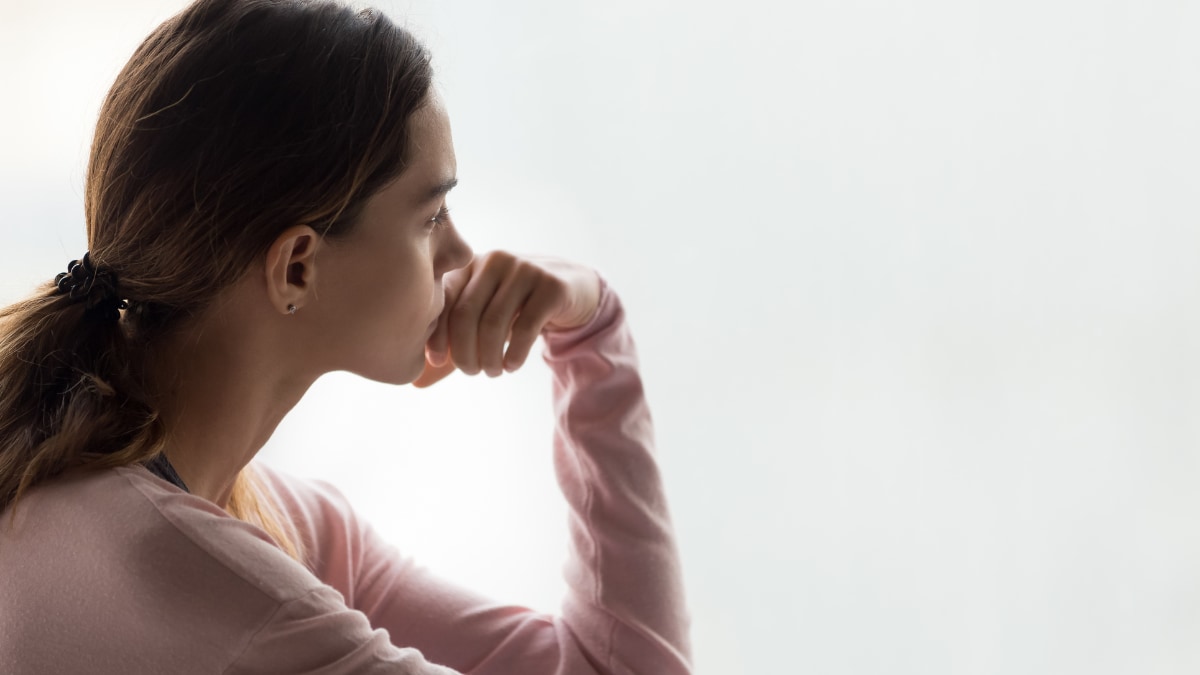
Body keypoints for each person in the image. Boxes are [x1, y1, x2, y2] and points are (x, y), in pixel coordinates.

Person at [0, 0, 691, 672]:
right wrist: (594, 338)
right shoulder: (249, 605)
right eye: (430, 217)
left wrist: (586, 311)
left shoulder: (278, 525)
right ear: (298, 266)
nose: (461, 257)